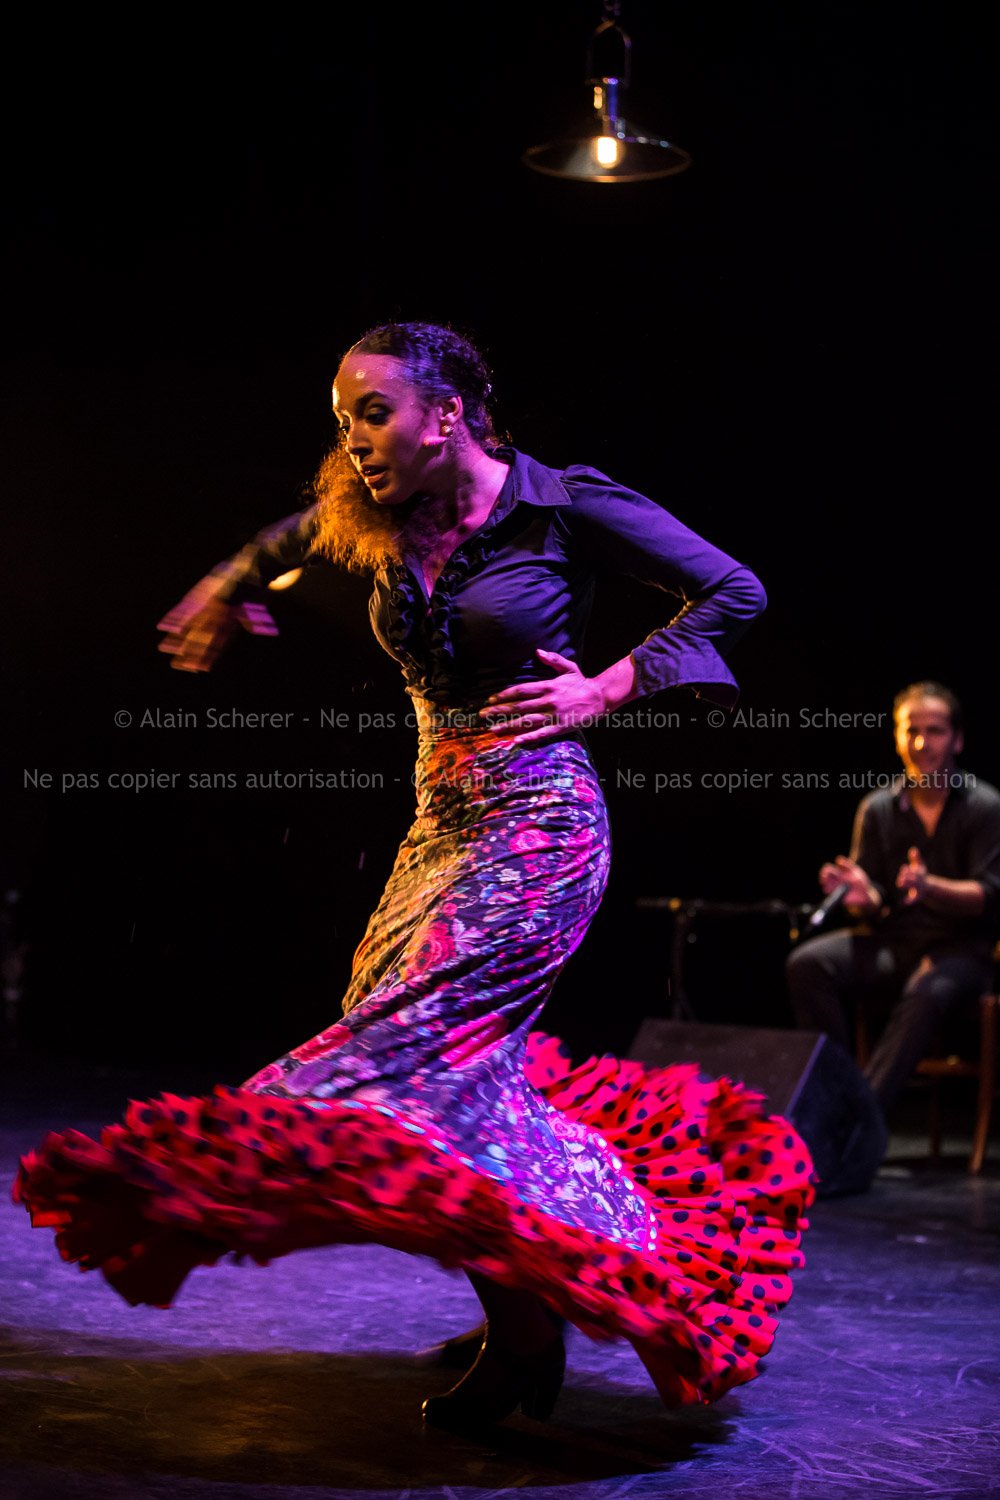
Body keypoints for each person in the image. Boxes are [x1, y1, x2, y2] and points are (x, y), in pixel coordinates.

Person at [15, 320, 814, 1431]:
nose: (353, 439)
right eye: (341, 419)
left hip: (541, 824)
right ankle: (523, 1299)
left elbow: (736, 590)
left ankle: (526, 1341)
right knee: (436, 1081)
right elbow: (292, 531)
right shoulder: (378, 514)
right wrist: (226, 584)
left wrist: (607, 686)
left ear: (447, 414)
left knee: (412, 1057)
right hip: (436, 828)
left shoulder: (561, 504)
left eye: (372, 412)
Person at [786, 681, 1000, 1128]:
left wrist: (930, 887)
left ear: (957, 739)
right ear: (897, 737)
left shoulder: (984, 806)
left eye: (935, 730)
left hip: (963, 948)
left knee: (927, 989)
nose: (922, 743)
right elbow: (874, 902)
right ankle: (838, 1094)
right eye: (911, 731)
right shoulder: (878, 808)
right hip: (896, 941)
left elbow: (987, 896)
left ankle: (861, 1121)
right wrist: (862, 897)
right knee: (808, 963)